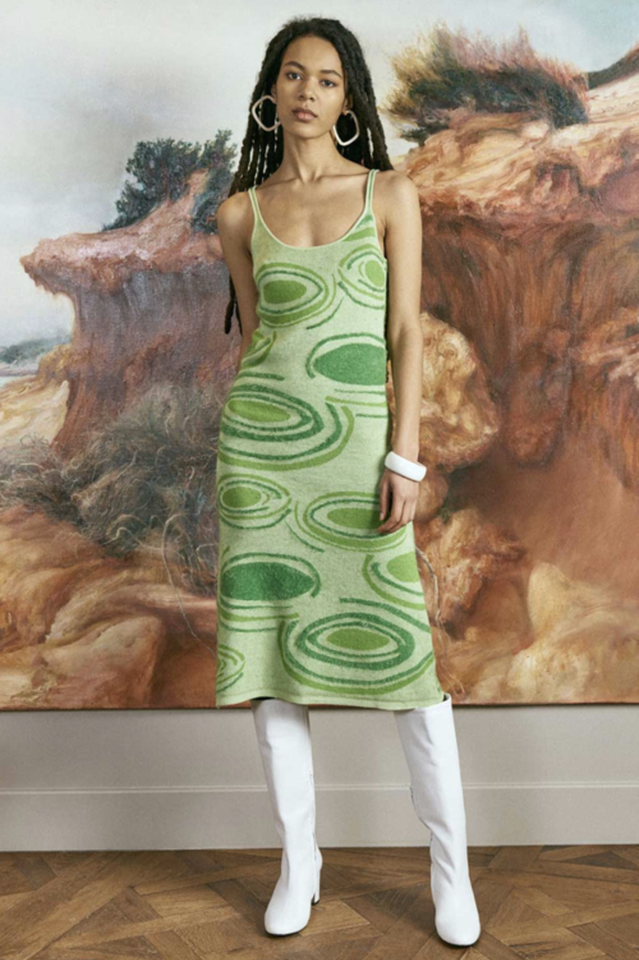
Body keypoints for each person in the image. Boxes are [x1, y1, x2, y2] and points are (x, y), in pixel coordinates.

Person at [214, 15, 481, 946]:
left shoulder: (388, 194)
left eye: (326, 79)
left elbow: (403, 334)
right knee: (272, 664)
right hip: (263, 463)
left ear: (347, 99)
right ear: (271, 91)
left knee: (409, 668)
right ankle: (300, 864)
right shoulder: (239, 215)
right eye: (293, 75)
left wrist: (403, 456)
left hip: (362, 460)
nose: (307, 91)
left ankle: (451, 875)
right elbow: (259, 341)